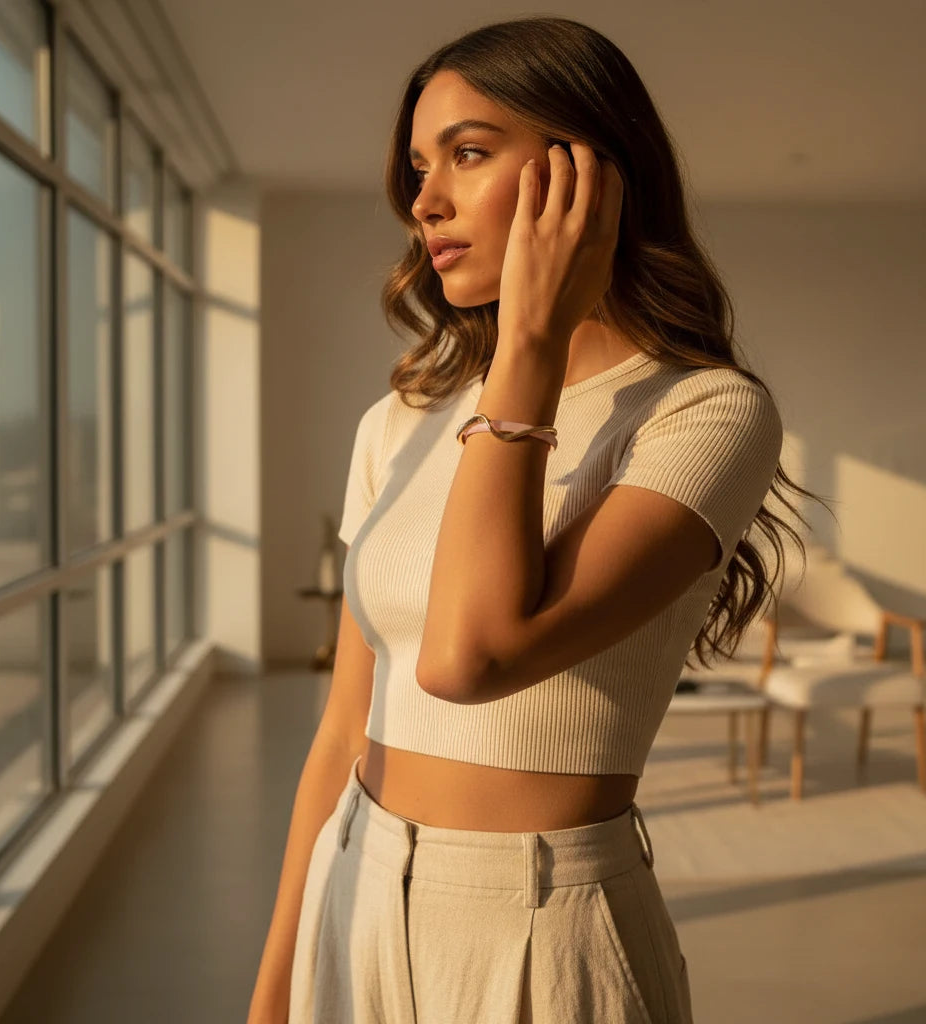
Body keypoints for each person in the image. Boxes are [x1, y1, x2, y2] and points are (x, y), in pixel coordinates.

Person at [248, 16, 824, 1024]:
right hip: (356, 887)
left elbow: (471, 656)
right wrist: (270, 991)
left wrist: (529, 341)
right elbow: (345, 727)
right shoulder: (399, 420)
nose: (423, 199)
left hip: (542, 931)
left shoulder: (707, 414)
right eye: (419, 165)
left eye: (467, 154)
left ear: (590, 173)